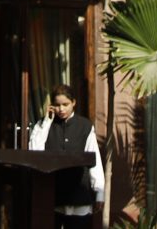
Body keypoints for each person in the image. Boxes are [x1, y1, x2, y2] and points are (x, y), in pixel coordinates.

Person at [27, 84, 104, 227]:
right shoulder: (44, 125)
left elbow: (94, 160)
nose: (61, 109)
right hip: (54, 194)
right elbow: (34, 152)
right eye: (57, 105)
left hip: (79, 194)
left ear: (73, 102)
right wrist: (47, 122)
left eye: (65, 104)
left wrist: (99, 192)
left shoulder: (85, 126)